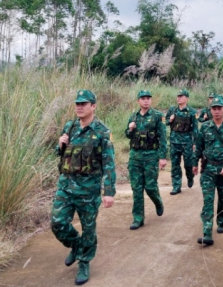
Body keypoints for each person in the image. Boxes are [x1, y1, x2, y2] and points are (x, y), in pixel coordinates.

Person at [51, 89, 116, 285]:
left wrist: (109, 192)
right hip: (66, 186)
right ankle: (77, 245)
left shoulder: (102, 132)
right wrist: (60, 144)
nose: (79, 107)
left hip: (88, 190)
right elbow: (60, 153)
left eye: (84, 104)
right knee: (57, 223)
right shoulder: (70, 127)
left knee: (89, 228)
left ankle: (84, 262)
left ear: (93, 106)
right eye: (77, 103)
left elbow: (109, 164)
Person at [193, 96, 223, 246]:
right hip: (208, 169)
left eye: (219, 108)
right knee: (208, 200)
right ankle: (207, 233)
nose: (217, 111)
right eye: (214, 108)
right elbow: (199, 147)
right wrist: (194, 163)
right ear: (210, 110)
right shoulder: (205, 127)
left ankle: (221, 221)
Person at [125, 89, 167, 230]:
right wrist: (130, 129)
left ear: (151, 100)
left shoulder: (157, 116)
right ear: (138, 101)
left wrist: (162, 157)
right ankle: (138, 218)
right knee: (136, 189)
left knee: (150, 186)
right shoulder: (133, 117)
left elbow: (163, 137)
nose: (146, 100)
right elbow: (127, 135)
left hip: (151, 156)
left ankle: (158, 201)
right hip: (135, 157)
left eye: (148, 98)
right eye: (143, 98)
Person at [165, 89, 198, 195]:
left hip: (187, 142)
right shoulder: (172, 110)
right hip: (174, 142)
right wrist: (169, 120)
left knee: (188, 164)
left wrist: (195, 143)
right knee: (175, 165)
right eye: (178, 96)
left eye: (181, 96)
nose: (178, 98)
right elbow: (164, 122)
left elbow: (195, 129)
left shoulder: (192, 112)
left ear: (187, 98)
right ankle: (176, 186)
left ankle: (190, 176)